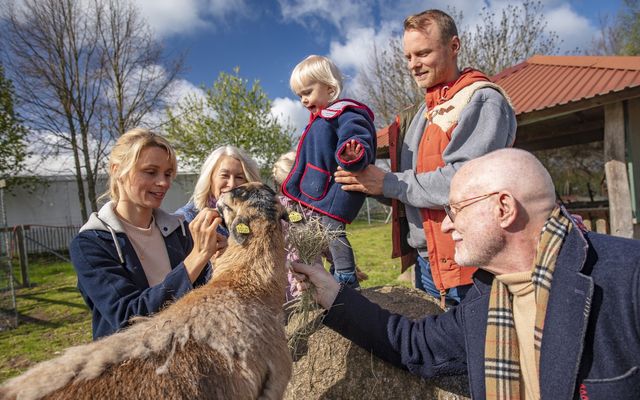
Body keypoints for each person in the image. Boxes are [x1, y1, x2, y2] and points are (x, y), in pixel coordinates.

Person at [292, 148, 640, 399]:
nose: (445, 225)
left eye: (455, 210)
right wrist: (331, 292)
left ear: (503, 208)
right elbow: (414, 345)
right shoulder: (488, 298)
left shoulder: (627, 279)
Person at [334, 9, 516, 306]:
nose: (413, 65)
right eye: (408, 57)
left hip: (471, 265)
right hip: (428, 261)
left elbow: (461, 182)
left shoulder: (480, 100)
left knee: (475, 350)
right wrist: (367, 183)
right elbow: (413, 189)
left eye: (423, 53)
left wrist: (388, 183)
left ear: (454, 46)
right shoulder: (423, 113)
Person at [70, 128, 224, 340]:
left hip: (184, 357)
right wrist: (196, 258)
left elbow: (200, 298)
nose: (163, 183)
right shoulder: (92, 243)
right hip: (129, 366)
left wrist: (217, 261)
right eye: (151, 172)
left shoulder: (178, 231)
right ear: (117, 170)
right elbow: (127, 318)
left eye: (168, 174)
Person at [281, 55, 376, 289]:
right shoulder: (320, 120)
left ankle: (346, 277)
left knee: (333, 230)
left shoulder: (345, 113)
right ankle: (330, 272)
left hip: (338, 185)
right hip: (322, 187)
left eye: (307, 92)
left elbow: (355, 134)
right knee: (315, 230)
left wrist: (352, 153)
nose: (303, 100)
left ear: (330, 88)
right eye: (299, 96)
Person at [175, 145, 261, 232]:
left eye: (239, 177)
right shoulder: (186, 219)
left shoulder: (256, 219)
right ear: (209, 178)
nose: (232, 185)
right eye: (224, 175)